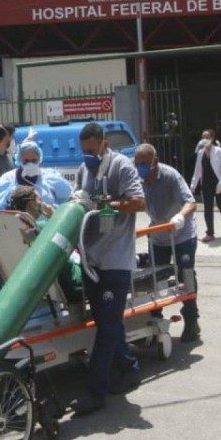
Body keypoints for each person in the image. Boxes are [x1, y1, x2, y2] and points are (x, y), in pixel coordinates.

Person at [71, 122, 146, 416]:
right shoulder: (84, 170)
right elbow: (79, 198)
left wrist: (109, 204)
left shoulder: (122, 167)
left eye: (92, 150)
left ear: (103, 143)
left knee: (106, 327)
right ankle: (129, 367)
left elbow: (139, 202)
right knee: (107, 322)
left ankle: (95, 391)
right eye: (84, 151)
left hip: (115, 260)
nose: (88, 155)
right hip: (92, 259)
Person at [134, 143, 200, 342]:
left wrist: (179, 217)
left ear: (155, 161)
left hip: (181, 234)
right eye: (137, 163)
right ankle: (155, 322)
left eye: (144, 163)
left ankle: (192, 320)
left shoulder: (170, 176)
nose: (140, 167)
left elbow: (191, 202)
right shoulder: (138, 179)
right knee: (154, 278)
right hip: (158, 235)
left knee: (185, 274)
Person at [0, 134, 73, 209]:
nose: (30, 163)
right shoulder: (8, 179)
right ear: (19, 159)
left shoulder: (50, 177)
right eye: (26, 161)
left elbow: (69, 198)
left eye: (33, 160)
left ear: (39, 159)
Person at [190, 129, 221, 243]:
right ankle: (210, 233)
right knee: (207, 208)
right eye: (203, 137)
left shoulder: (218, 151)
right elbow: (197, 170)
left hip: (217, 182)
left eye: (206, 137)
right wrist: (193, 185)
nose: (204, 140)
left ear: (212, 138)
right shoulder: (200, 153)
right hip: (206, 183)